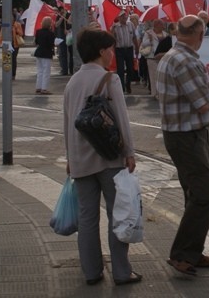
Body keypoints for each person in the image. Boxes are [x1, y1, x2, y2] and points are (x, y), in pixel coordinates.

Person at [62, 26, 141, 287]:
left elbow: (67, 124)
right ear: (101, 51)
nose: (112, 53)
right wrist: (129, 152)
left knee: (87, 217)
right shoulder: (110, 80)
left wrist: (70, 158)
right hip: (109, 158)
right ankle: (121, 271)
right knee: (117, 214)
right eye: (109, 49)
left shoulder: (72, 82)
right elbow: (121, 119)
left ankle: (92, 272)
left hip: (81, 160)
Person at [155, 15, 209, 276]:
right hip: (186, 137)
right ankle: (182, 254)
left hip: (182, 133)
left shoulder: (172, 56)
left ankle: (192, 252)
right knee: (204, 197)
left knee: (194, 194)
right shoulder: (186, 60)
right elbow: (201, 102)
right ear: (199, 35)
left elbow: (192, 99)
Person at [111, 11, 138, 94]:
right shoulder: (115, 27)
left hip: (129, 48)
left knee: (130, 68)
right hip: (120, 49)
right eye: (122, 16)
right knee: (120, 69)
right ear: (119, 18)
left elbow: (134, 37)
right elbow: (113, 39)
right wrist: (113, 50)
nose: (124, 18)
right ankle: (121, 87)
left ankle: (128, 84)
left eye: (125, 16)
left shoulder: (131, 25)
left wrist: (137, 47)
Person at [34, 16, 56, 95]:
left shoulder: (38, 31)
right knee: (46, 71)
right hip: (47, 53)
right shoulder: (51, 33)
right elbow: (51, 44)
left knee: (40, 71)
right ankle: (44, 88)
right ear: (50, 24)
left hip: (39, 52)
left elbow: (36, 42)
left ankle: (38, 87)